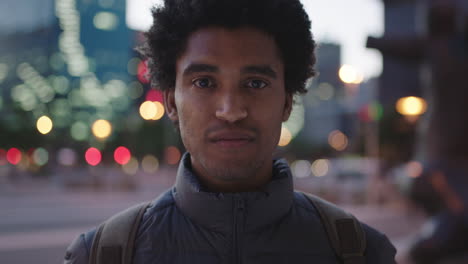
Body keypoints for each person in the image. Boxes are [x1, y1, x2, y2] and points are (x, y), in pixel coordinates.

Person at [64, 0, 397, 263]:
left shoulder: (363, 252)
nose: (231, 110)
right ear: (171, 103)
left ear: (286, 101)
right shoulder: (101, 254)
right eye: (204, 82)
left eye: (255, 83)